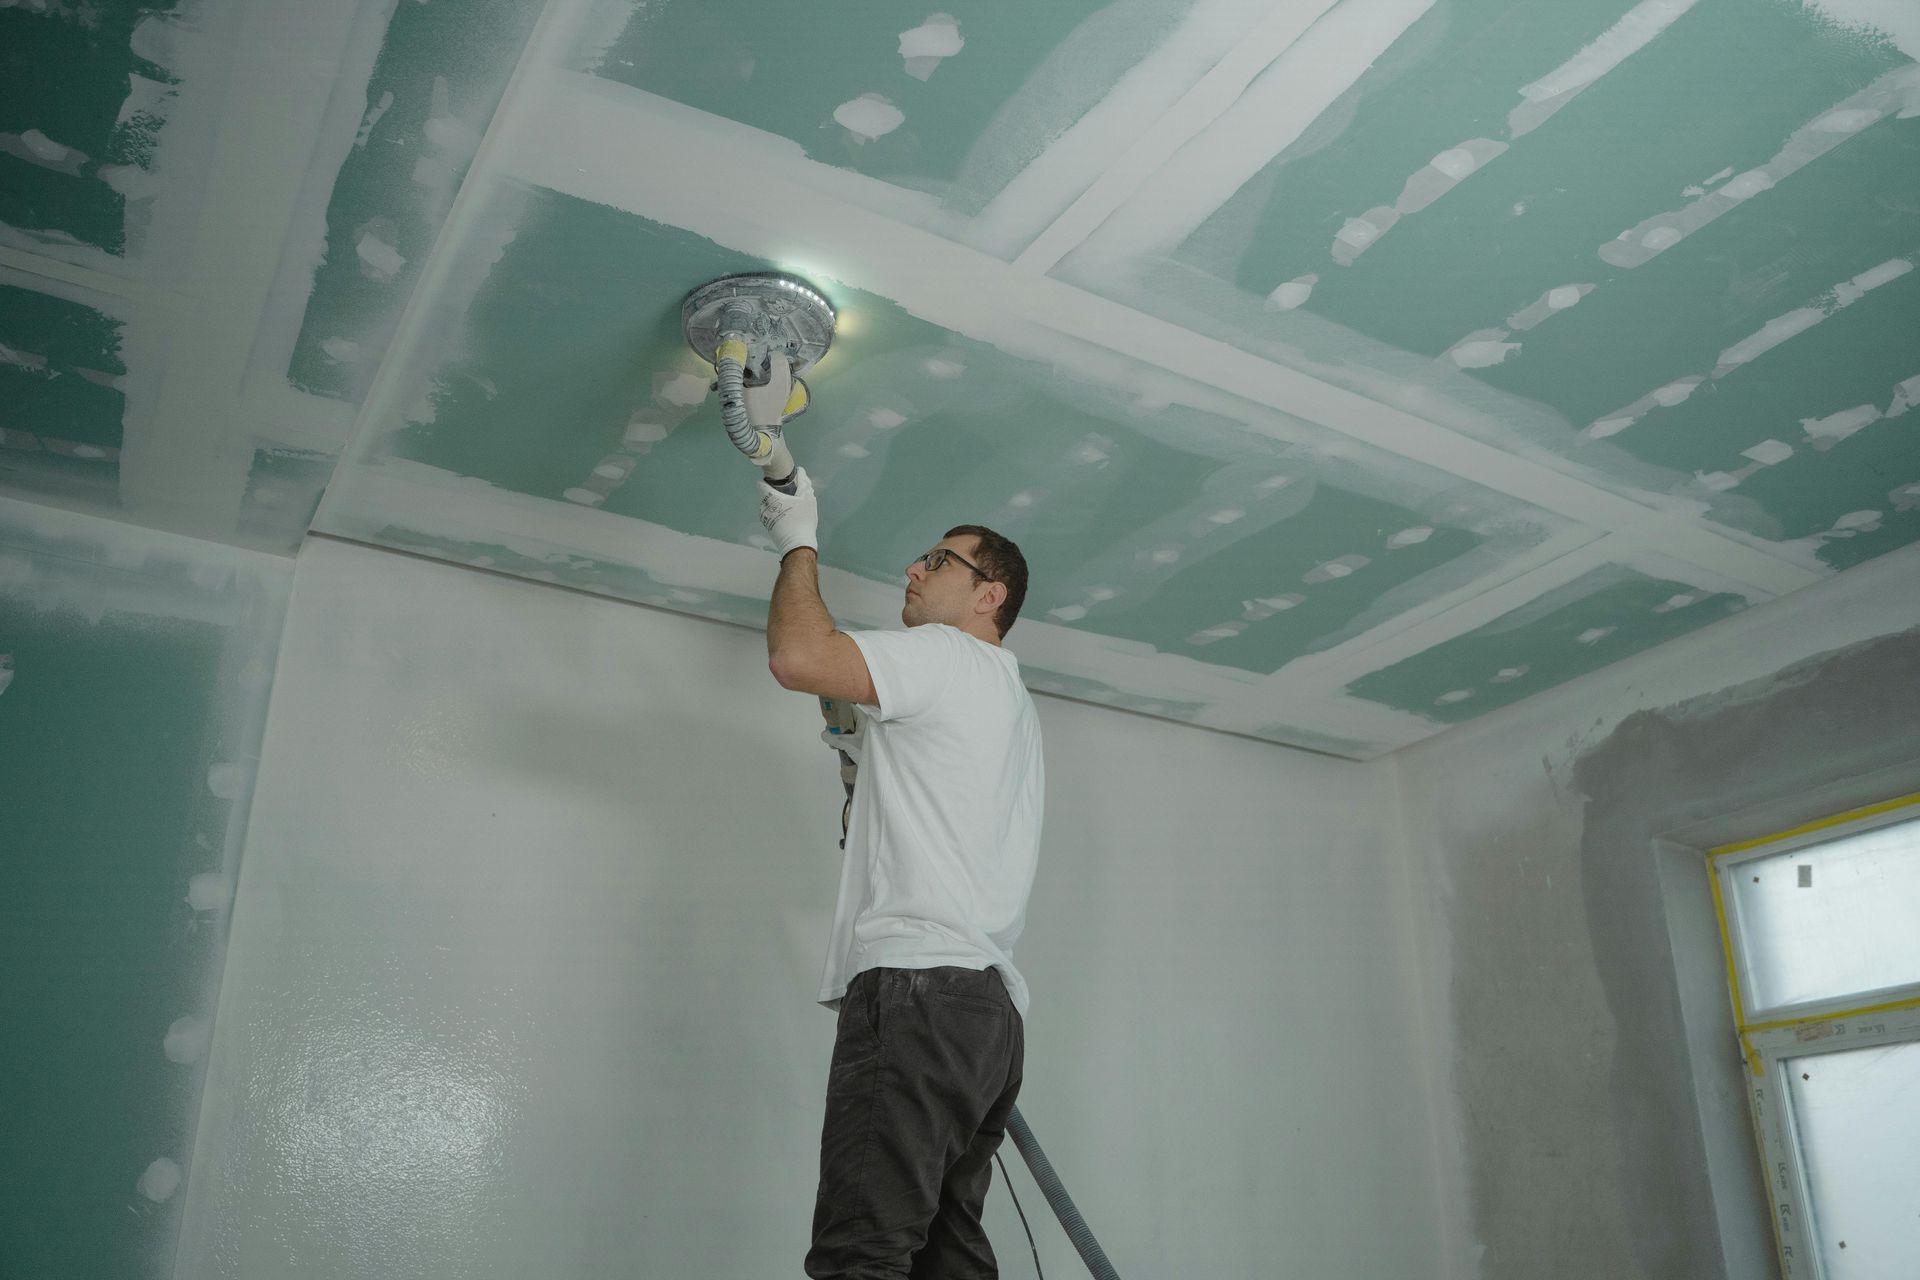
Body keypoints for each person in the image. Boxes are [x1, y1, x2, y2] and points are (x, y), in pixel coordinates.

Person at [758, 465, 1045, 1279]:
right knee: (944, 1258)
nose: (913, 571)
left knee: (864, 1251)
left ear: (989, 597)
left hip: (920, 991)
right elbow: (876, 757)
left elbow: (799, 657)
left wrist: (796, 539)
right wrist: (853, 742)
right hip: (985, 1015)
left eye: (939, 561)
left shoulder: (947, 656)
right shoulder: (1003, 698)